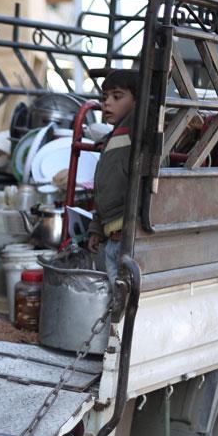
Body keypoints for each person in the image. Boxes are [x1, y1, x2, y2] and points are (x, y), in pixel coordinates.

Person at [86, 69, 138, 286]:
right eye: (104, 97)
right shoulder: (111, 139)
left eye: (117, 97)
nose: (107, 103)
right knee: (115, 301)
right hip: (111, 242)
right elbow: (103, 190)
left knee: (124, 301)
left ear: (138, 101)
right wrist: (96, 229)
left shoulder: (136, 130)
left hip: (127, 242)